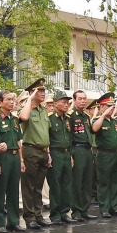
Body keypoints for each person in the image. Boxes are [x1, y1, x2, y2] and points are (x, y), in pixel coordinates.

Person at [19, 79, 52, 229]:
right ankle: (29, 217)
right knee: (29, 186)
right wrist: (29, 99)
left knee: (38, 185)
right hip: (30, 150)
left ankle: (38, 215)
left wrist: (49, 152)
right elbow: (23, 118)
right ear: (32, 93)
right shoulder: (27, 108)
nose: (43, 93)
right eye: (40, 91)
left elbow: (46, 133)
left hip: (43, 151)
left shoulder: (43, 110)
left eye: (44, 91)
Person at [0, 90, 24, 233]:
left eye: (13, 99)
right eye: (8, 99)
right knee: (0, 190)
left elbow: (18, 140)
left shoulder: (15, 119)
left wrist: (21, 159)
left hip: (14, 156)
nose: (12, 102)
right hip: (2, 157)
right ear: (0, 103)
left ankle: (13, 221)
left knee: (13, 190)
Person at [91, 93, 117, 218]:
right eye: (108, 106)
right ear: (101, 107)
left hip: (115, 154)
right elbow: (94, 129)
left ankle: (114, 206)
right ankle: (104, 208)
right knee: (104, 182)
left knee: (115, 181)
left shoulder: (114, 121)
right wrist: (103, 116)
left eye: (112, 106)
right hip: (104, 154)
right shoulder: (97, 119)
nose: (111, 109)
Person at [46, 90, 74, 224]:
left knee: (67, 183)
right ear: (55, 103)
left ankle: (64, 212)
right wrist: (48, 154)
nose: (66, 105)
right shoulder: (50, 118)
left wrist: (71, 155)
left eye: (67, 102)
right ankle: (55, 214)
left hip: (66, 153)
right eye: (63, 102)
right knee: (55, 184)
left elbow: (70, 138)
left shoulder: (68, 119)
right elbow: (47, 138)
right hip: (55, 153)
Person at [68, 90, 96, 222]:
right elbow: (69, 135)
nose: (83, 101)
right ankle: (76, 211)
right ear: (74, 100)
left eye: (84, 99)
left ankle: (85, 209)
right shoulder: (71, 115)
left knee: (87, 181)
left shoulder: (85, 116)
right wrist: (71, 154)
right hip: (77, 148)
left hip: (87, 149)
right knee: (77, 181)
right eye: (80, 98)